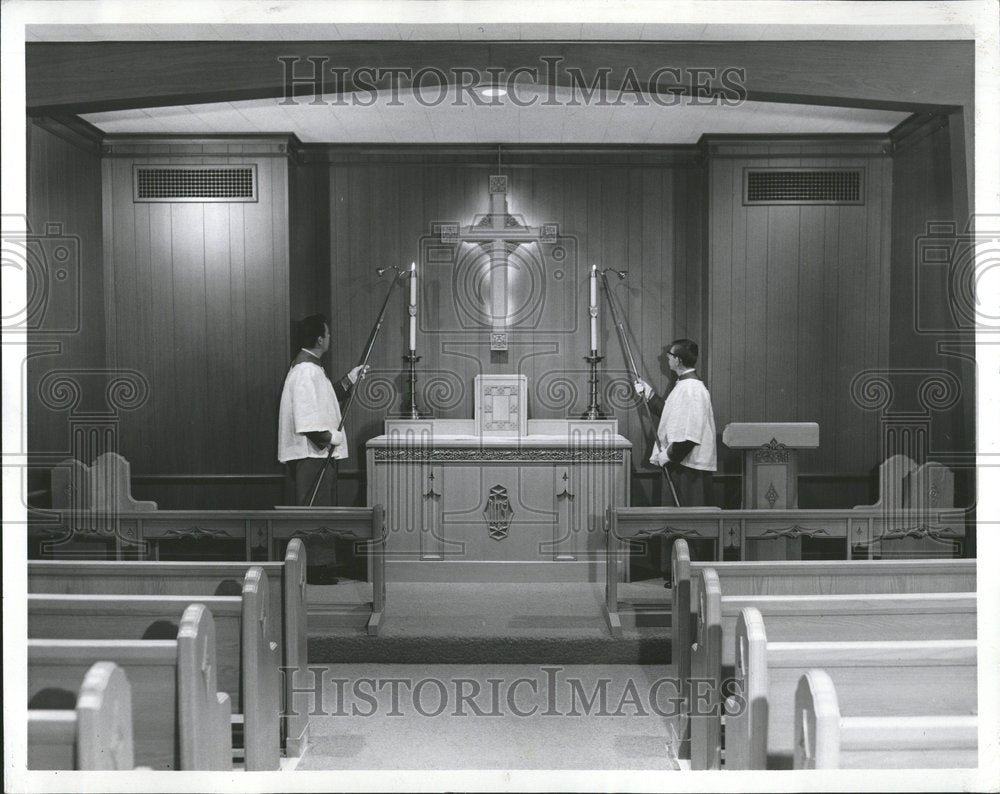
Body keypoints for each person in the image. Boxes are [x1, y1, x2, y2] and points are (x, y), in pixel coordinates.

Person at [278, 313, 367, 584]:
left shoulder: (313, 369)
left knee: (321, 507)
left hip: (316, 453)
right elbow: (306, 416)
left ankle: (322, 564)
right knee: (314, 508)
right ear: (319, 339)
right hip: (310, 453)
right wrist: (328, 437)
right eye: (327, 334)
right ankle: (315, 568)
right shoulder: (305, 370)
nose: (330, 338)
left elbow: (324, 400)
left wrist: (349, 381)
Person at [634, 338, 717, 507]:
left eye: (670, 355)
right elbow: (671, 415)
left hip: (688, 468)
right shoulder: (684, 386)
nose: (667, 358)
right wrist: (649, 394)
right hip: (680, 462)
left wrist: (667, 456)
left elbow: (690, 435)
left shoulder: (692, 389)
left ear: (678, 360)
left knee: (687, 523)